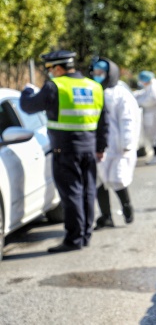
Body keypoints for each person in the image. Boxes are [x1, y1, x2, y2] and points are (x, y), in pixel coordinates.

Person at [20, 50, 108, 253]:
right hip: (89, 149)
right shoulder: (94, 86)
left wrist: (27, 91)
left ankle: (73, 239)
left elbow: (29, 106)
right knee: (87, 192)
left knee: (72, 195)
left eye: (50, 69)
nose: (50, 73)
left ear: (58, 68)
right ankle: (85, 235)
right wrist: (100, 147)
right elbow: (104, 121)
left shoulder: (55, 86)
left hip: (66, 150)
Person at [90, 57, 140, 230]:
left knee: (118, 179)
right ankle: (106, 216)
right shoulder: (95, 90)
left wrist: (127, 143)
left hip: (117, 146)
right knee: (99, 182)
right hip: (99, 145)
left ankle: (127, 208)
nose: (97, 76)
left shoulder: (120, 93)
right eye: (95, 73)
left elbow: (127, 119)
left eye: (100, 73)